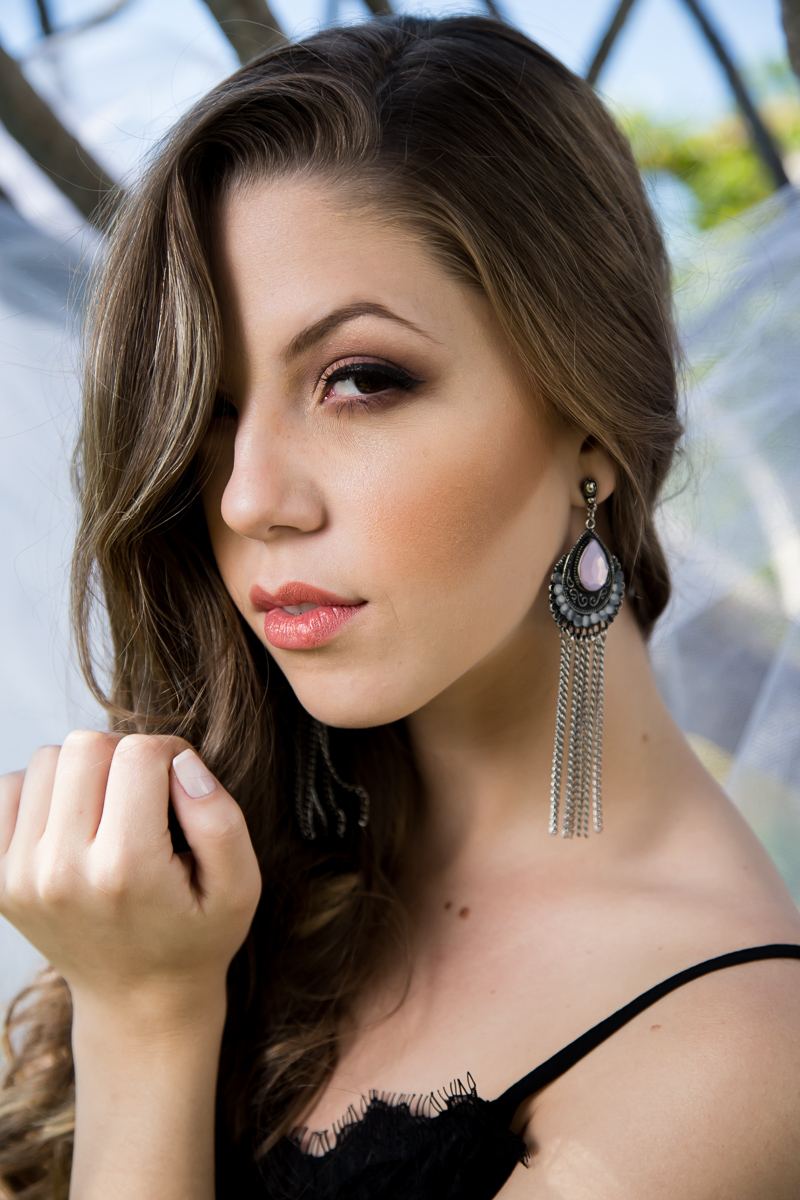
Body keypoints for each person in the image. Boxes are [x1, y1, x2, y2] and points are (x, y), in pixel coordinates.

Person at [1, 15, 799, 1200]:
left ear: (589, 426)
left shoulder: (730, 1055)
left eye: (360, 381)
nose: (249, 496)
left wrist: (145, 1019)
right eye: (210, 406)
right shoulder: (235, 839)